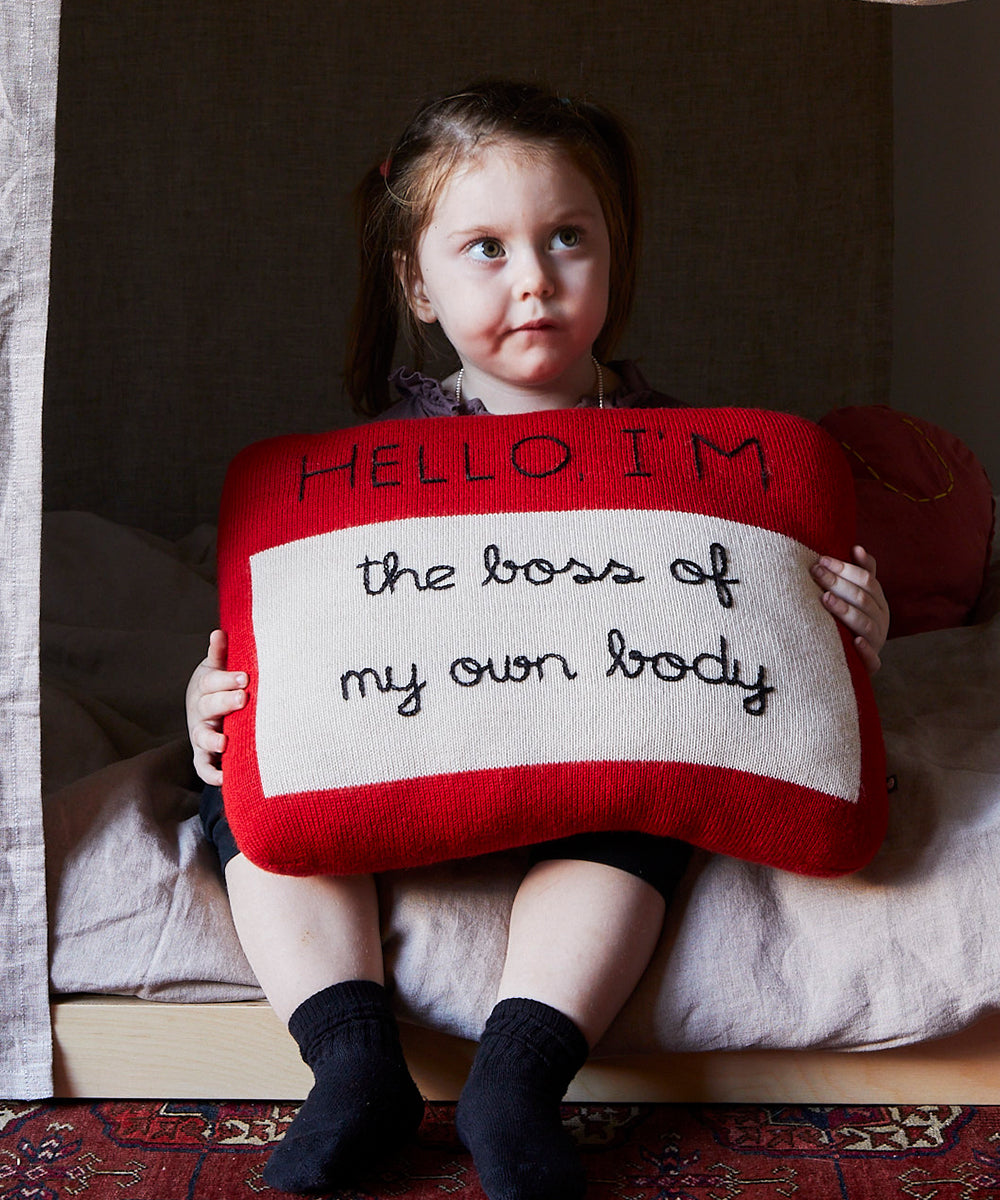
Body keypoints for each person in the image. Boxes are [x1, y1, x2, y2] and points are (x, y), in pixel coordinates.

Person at [187, 80, 890, 1199]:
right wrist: (210, 701)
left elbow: (754, 641)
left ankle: (516, 1080)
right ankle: (352, 1065)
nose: (533, 278)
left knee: (640, 818)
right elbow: (280, 645)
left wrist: (855, 621)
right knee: (244, 799)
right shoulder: (357, 476)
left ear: (613, 252)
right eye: (484, 248)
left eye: (568, 237)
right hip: (406, 776)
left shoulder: (687, 457)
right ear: (416, 282)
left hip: (583, 790)